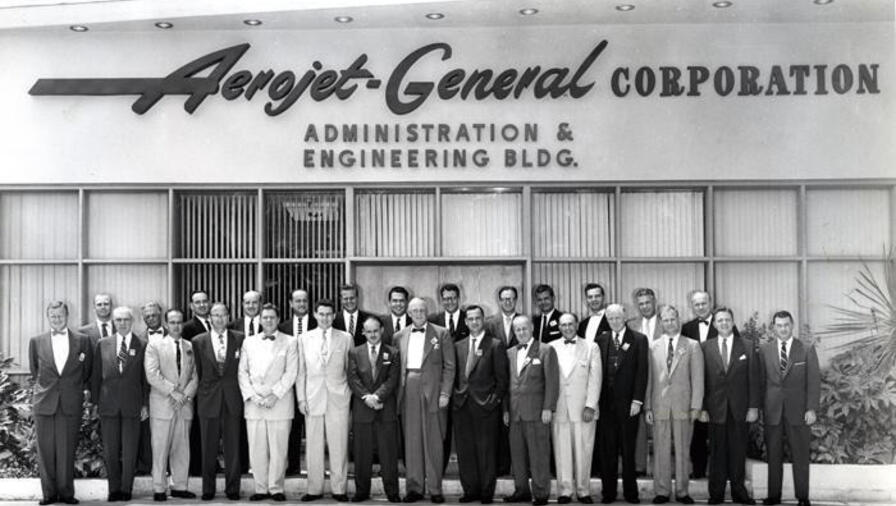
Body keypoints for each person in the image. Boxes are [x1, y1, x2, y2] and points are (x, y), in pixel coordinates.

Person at [30, 300, 92, 506]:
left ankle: (66, 493)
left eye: (60, 316)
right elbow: (35, 371)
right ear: (48, 317)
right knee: (45, 451)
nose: (57, 319)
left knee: (67, 450)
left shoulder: (82, 341)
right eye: (53, 316)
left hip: (70, 402)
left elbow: (86, 371)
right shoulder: (36, 341)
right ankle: (48, 494)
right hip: (45, 402)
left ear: (67, 316)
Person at [394, 297, 455, 503]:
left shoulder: (441, 333)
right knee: (411, 440)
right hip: (408, 387)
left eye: (422, 310)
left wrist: (445, 393)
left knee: (434, 440)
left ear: (427, 311)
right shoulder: (398, 336)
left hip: (434, 391)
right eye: (414, 310)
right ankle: (414, 488)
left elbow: (450, 366)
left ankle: (435, 488)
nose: (418, 313)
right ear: (408, 313)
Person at [758, 311, 820, 506]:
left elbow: (814, 382)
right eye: (779, 325)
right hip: (772, 411)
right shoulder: (765, 350)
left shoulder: (806, 349)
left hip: (799, 411)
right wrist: (760, 409)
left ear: (792, 325)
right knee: (773, 455)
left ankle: (803, 497)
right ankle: (773, 495)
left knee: (800, 455)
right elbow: (761, 382)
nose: (783, 329)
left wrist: (811, 409)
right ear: (773, 327)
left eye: (786, 325)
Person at [644, 306, 704, 505]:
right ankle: (662, 490)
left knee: (682, 449)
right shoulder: (653, 346)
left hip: (683, 406)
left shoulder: (692, 345)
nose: (669, 323)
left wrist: (696, 405)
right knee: (660, 450)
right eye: (665, 320)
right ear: (661, 322)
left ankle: (682, 491)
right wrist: (648, 407)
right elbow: (649, 379)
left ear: (678, 319)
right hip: (659, 405)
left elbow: (697, 378)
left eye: (672, 319)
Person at [238, 304, 298, 502]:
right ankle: (260, 488)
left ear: (278, 319)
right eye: (265, 317)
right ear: (260, 319)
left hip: (279, 403)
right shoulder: (249, 342)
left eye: (272, 317)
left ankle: (276, 488)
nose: (269, 321)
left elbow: (291, 373)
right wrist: (253, 396)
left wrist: (275, 394)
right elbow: (242, 372)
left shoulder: (290, 342)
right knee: (257, 448)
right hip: (254, 404)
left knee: (279, 449)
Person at [700, 307, 758, 505]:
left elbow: (754, 379)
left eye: (727, 320)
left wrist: (753, 407)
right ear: (714, 324)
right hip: (715, 409)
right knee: (717, 453)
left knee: (738, 452)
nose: (724, 323)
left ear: (733, 322)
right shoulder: (705, 347)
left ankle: (739, 492)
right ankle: (715, 494)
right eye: (720, 320)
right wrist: (702, 408)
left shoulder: (748, 346)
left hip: (740, 409)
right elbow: (702, 381)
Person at [296, 300, 353, 502]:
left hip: (338, 397)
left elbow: (350, 370)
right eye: (321, 314)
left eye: (329, 314)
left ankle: (339, 489)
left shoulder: (346, 338)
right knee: (313, 445)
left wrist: (349, 395)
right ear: (315, 314)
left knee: (339, 444)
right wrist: (301, 399)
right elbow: (300, 372)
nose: (325, 318)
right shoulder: (303, 338)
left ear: (334, 315)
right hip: (313, 397)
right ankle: (314, 489)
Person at [92, 306, 149, 502]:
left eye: (126, 319)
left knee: (130, 449)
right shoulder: (103, 344)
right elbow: (96, 377)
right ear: (113, 322)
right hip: (108, 405)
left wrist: (145, 404)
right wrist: (95, 403)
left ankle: (126, 489)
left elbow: (145, 378)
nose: (122, 323)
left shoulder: (142, 344)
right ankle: (113, 489)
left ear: (132, 321)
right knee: (110, 450)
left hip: (132, 406)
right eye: (118, 320)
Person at [453, 305, 509, 504]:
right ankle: (470, 491)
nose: (474, 322)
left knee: (486, 452)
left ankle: (486, 492)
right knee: (465, 451)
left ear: (483, 320)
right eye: (470, 319)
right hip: (462, 406)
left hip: (486, 407)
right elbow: (454, 376)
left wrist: (492, 402)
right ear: (466, 322)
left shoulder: (495, 345)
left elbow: (502, 380)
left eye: (478, 318)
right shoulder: (458, 345)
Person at [503, 315, 559, 506]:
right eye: (517, 330)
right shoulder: (509, 352)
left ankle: (541, 493)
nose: (521, 332)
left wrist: (548, 408)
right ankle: (521, 491)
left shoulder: (545, 350)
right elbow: (506, 384)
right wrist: (505, 410)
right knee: (517, 455)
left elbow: (552, 382)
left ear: (532, 328)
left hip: (536, 413)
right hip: (515, 412)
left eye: (524, 329)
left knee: (539, 454)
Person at [144, 309, 199, 502]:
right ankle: (159, 488)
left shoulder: (190, 346)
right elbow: (152, 374)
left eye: (179, 322)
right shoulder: (154, 346)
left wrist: (185, 395)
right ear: (166, 324)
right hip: (163, 404)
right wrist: (173, 392)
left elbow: (195, 376)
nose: (176, 326)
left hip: (183, 405)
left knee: (182, 447)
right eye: (172, 322)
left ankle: (180, 486)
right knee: (160, 448)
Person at [596, 304, 648, 504]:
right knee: (607, 451)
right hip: (606, 406)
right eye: (610, 318)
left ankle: (630, 493)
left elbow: (642, 372)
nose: (614, 321)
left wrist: (638, 400)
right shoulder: (600, 340)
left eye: (618, 317)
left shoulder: (639, 340)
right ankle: (608, 493)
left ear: (624, 316)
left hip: (629, 405)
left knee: (628, 451)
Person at [192, 302, 244, 501]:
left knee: (233, 448)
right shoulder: (198, 341)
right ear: (210, 318)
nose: (219, 318)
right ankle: (208, 489)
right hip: (208, 400)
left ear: (228, 316)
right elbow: (196, 371)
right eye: (215, 315)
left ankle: (233, 489)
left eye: (223, 315)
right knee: (208, 447)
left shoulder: (240, 338)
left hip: (232, 399)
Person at [348, 317, 403, 503]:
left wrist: (377, 397)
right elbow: (353, 379)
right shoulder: (355, 352)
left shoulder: (393, 353)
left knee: (388, 455)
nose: (372, 334)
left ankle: (392, 492)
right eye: (368, 331)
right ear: (363, 332)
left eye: (375, 331)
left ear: (381, 331)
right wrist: (367, 398)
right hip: (362, 411)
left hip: (385, 410)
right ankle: (361, 492)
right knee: (362, 455)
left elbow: (392, 380)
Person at [549, 313, 601, 504]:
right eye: (563, 325)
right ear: (559, 327)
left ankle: (583, 490)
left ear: (577, 325)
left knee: (584, 451)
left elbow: (596, 379)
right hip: (560, 408)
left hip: (583, 409)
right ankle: (565, 491)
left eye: (571, 324)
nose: (567, 328)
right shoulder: (551, 347)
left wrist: (590, 405)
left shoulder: (590, 346)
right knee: (561, 451)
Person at [278, 288, 317, 475]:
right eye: (297, 301)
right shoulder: (283, 327)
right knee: (292, 429)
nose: (301, 304)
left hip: (313, 386)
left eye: (304, 300)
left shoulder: (319, 323)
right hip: (289, 387)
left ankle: (314, 468)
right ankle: (292, 466)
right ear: (291, 304)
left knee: (314, 430)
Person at [680, 290, 718, 479]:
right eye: (697, 304)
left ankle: (720, 471)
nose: (701, 307)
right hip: (694, 385)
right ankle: (699, 470)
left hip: (717, 386)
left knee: (718, 429)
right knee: (697, 432)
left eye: (704, 303)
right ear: (692, 306)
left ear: (710, 303)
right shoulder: (686, 328)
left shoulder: (722, 323)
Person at [485, 286, 520, 476]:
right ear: (499, 301)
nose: (507, 302)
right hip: (496, 379)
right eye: (504, 299)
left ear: (516, 300)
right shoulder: (490, 323)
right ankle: (501, 466)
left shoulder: (524, 321)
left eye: (511, 299)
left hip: (518, 377)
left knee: (516, 423)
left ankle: (520, 466)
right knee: (499, 425)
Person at [627, 287, 662, 476]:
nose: (645, 307)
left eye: (648, 302)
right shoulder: (631, 325)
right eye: (641, 304)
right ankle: (640, 466)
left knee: (659, 424)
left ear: (654, 301)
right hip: (637, 379)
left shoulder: (666, 322)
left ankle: (660, 468)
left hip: (661, 379)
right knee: (639, 424)